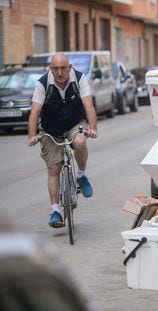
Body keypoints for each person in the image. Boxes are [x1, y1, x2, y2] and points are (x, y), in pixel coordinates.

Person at [27, 53, 98, 228]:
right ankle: (55, 211)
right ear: (51, 69)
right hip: (51, 129)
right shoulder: (42, 83)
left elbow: (88, 105)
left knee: (80, 142)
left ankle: (81, 176)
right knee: (54, 168)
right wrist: (31, 135)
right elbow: (35, 112)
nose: (60, 72)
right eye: (56, 68)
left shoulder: (80, 79)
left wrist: (93, 128)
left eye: (63, 68)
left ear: (70, 67)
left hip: (74, 123)